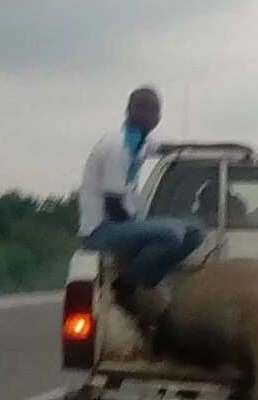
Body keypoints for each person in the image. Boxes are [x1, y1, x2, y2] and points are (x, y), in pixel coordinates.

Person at [78, 86, 204, 317]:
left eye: (155, 110)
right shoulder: (118, 147)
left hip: (120, 225)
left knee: (194, 231)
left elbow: (166, 147)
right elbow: (114, 207)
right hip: (101, 230)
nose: (151, 116)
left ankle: (148, 285)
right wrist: (141, 227)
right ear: (129, 111)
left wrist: (213, 146)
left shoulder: (139, 143)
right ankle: (125, 288)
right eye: (143, 108)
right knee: (171, 233)